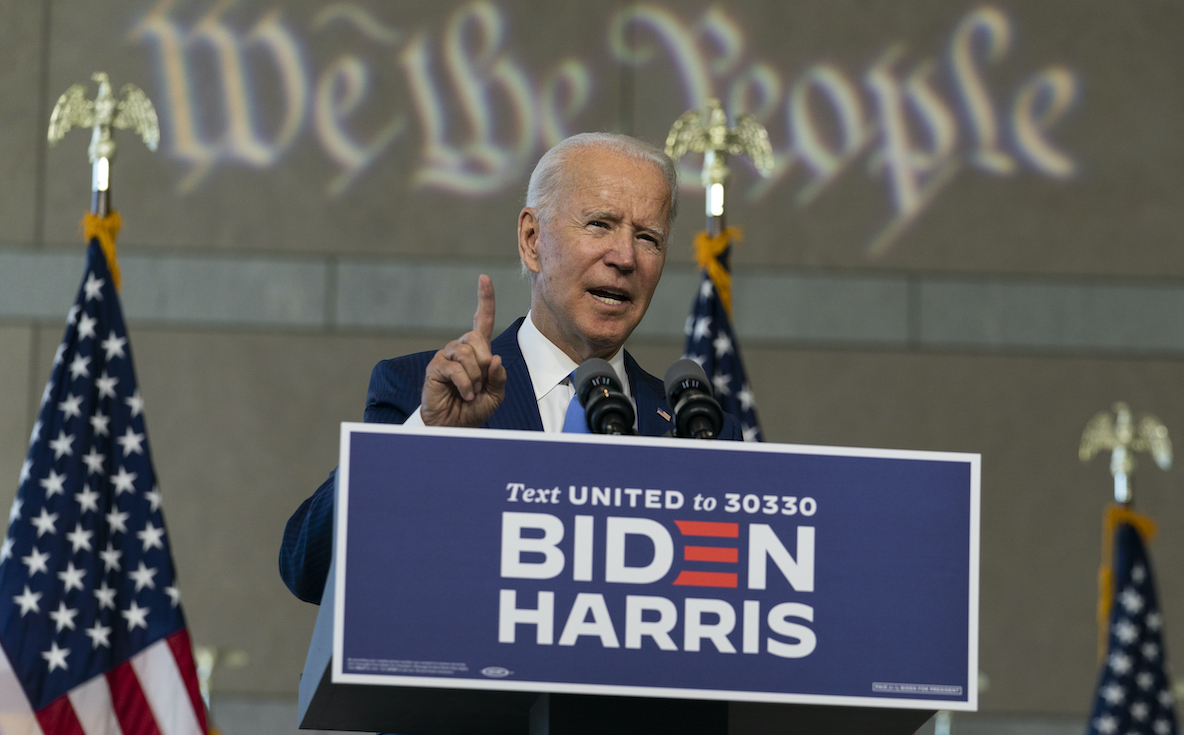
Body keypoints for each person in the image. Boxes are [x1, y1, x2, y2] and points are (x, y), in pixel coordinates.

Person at [279, 132, 741, 604]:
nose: (625, 257)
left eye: (648, 238)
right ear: (532, 239)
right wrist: (426, 438)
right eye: (600, 224)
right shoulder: (426, 398)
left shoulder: (699, 429)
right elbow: (309, 568)